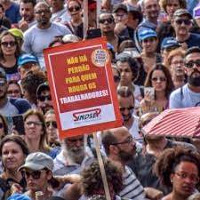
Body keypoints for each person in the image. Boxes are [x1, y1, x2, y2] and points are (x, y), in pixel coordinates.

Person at [22, 1, 71, 68]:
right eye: (39, 12)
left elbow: (72, 48)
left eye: (46, 11)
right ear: (34, 15)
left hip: (63, 66)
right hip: (41, 71)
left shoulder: (62, 29)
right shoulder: (28, 35)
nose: (42, 14)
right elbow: (27, 58)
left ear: (51, 13)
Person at [102, 126, 146, 200]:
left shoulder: (126, 168)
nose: (133, 143)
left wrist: (146, 191)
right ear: (114, 149)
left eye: (132, 138)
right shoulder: (107, 179)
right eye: (128, 140)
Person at [0, 135, 29, 200]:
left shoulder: (33, 179)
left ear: (24, 155)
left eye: (14, 152)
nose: (9, 156)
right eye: (5, 153)